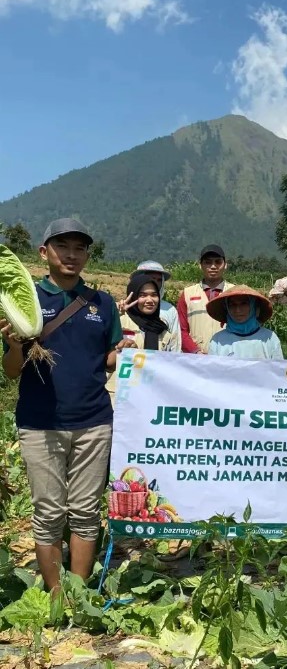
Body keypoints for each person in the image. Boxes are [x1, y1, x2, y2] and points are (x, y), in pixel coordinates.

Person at [0, 218, 132, 592]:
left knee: (87, 513)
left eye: (80, 248)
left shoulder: (103, 304)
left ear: (88, 255)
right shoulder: (26, 302)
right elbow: (11, 372)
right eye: (63, 247)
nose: (72, 255)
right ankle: (55, 594)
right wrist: (13, 347)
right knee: (48, 513)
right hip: (40, 423)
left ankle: (78, 594)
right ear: (45, 253)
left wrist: (121, 355)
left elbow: (104, 359)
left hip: (94, 421)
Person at [177, 244, 234, 354]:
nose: (213, 266)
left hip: (227, 357)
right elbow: (181, 329)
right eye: (208, 262)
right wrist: (195, 351)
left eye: (218, 262)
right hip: (195, 359)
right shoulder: (188, 293)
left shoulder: (234, 292)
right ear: (200, 265)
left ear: (225, 265)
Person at [207, 284, 283, 359]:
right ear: (227, 308)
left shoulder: (269, 338)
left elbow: (277, 369)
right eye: (232, 304)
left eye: (244, 303)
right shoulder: (218, 340)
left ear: (253, 306)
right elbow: (212, 369)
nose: (238, 310)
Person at [127, 260, 180, 339]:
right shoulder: (124, 310)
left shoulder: (169, 310)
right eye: (152, 278)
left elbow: (175, 341)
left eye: (159, 280)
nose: (155, 282)